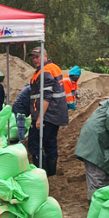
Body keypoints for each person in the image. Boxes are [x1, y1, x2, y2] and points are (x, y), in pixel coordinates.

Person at [27, 47, 69, 176]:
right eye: (33, 57)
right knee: (50, 142)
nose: (35, 60)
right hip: (55, 114)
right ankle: (51, 174)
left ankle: (41, 174)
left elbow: (46, 96)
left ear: (44, 55)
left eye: (37, 56)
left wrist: (40, 118)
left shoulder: (46, 71)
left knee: (35, 144)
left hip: (48, 115)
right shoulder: (52, 68)